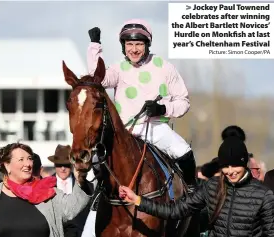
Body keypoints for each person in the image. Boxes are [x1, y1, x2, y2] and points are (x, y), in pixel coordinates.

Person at [87, 19, 196, 187]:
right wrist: (95, 46)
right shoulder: (118, 69)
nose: (134, 49)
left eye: (139, 44)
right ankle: (98, 198)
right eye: (129, 44)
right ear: (123, 46)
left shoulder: (165, 67)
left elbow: (184, 102)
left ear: (147, 44)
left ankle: (193, 196)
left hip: (155, 128)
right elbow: (98, 78)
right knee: (95, 159)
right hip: (124, 130)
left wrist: (162, 108)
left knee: (184, 152)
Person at [119, 136, 274, 237]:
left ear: (244, 164)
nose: (231, 171)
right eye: (226, 166)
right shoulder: (212, 187)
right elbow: (175, 210)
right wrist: (138, 200)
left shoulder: (264, 195)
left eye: (236, 166)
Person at [0, 142, 93, 237]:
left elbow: (71, 209)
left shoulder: (47, 192)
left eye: (29, 158)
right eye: (21, 159)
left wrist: (80, 180)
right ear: (7, 165)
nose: (28, 164)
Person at [48, 144, 95, 237]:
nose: (63, 168)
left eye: (66, 165)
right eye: (59, 165)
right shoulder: (46, 187)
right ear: (54, 165)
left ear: (72, 165)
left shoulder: (88, 187)